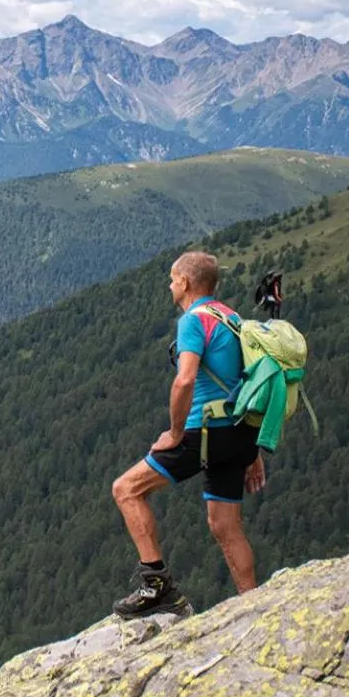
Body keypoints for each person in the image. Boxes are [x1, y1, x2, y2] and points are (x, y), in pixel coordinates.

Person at [109, 251, 266, 619]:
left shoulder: (193, 321)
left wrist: (176, 432)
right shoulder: (232, 318)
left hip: (204, 431)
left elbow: (186, 379)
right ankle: (256, 605)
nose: (169, 284)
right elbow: (247, 385)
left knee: (126, 489)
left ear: (185, 282)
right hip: (238, 431)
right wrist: (251, 450)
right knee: (226, 524)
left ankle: (157, 586)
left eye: (172, 278)